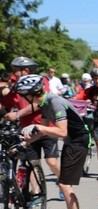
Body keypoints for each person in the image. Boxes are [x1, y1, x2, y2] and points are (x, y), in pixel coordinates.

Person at [15, 74, 91, 209]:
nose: (24, 99)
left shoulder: (54, 101)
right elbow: (43, 130)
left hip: (79, 141)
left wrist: (35, 126)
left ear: (31, 93)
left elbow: (61, 131)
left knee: (64, 185)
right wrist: (28, 141)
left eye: (24, 95)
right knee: (64, 183)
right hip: (71, 141)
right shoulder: (44, 103)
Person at [1, 57, 62, 199]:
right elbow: (5, 104)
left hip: (46, 127)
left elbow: (40, 103)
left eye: (15, 70)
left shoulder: (41, 81)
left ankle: (62, 181)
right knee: (32, 162)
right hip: (27, 129)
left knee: (51, 161)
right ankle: (35, 193)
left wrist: (18, 114)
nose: (13, 73)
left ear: (26, 70)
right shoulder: (16, 86)